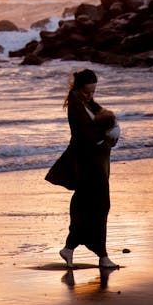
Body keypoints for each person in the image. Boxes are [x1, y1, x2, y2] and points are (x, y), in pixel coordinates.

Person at [44, 68, 119, 271]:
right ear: (77, 89)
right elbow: (84, 135)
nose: (90, 95)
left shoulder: (90, 104)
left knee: (92, 207)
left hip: (98, 163)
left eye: (93, 92)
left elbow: (106, 123)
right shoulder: (75, 107)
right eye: (87, 92)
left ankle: (71, 248)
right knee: (97, 206)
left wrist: (113, 133)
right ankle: (101, 255)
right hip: (86, 164)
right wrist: (106, 133)